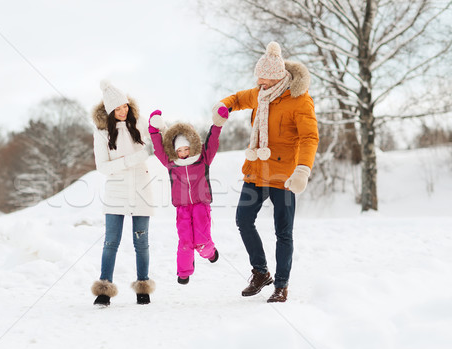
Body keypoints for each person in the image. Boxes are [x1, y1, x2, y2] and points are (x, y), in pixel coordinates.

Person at [214, 41, 319, 303]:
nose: (259, 85)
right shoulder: (260, 93)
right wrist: (222, 108)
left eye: (263, 81)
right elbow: (237, 98)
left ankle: (281, 285)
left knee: (283, 231)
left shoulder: (299, 100)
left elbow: (309, 138)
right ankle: (261, 273)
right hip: (256, 172)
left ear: (277, 78)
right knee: (243, 220)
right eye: (257, 81)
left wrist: (303, 169)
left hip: (284, 176)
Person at [91, 80, 155, 306]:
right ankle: (104, 289)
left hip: (141, 189)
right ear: (110, 112)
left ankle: (143, 287)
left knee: (142, 242)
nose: (122, 111)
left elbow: (160, 138)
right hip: (116, 191)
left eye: (125, 106)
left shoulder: (140, 124)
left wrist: (160, 123)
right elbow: (102, 167)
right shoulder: (101, 133)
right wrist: (132, 160)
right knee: (111, 241)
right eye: (117, 109)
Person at [147, 107, 228, 284]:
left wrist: (217, 125)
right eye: (180, 151)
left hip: (201, 205)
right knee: (185, 240)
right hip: (182, 208)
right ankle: (184, 271)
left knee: (202, 241)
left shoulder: (203, 159)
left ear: (192, 147)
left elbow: (212, 141)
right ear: (175, 152)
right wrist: (154, 130)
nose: (183, 153)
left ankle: (210, 253)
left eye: (186, 149)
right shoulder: (171, 164)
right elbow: (159, 149)